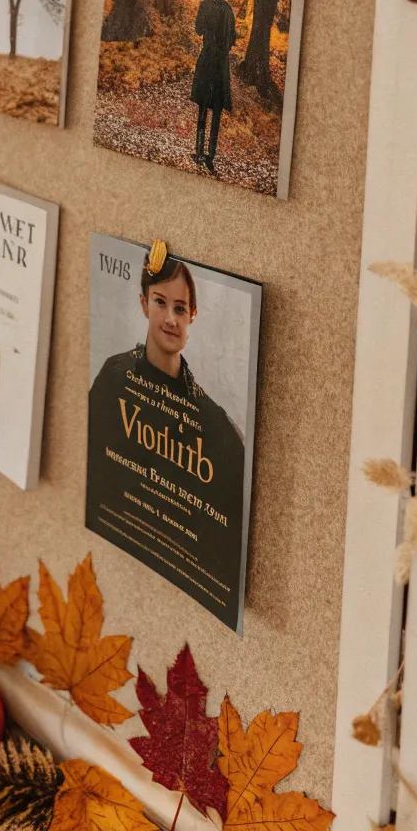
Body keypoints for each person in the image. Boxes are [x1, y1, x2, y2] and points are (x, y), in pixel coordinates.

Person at [87, 247, 245, 623]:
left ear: (193, 316)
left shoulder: (213, 421)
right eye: (161, 303)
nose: (171, 319)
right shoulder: (115, 375)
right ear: (144, 304)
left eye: (180, 308)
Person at [190, 0, 236, 176]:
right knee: (204, 107)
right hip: (212, 61)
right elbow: (199, 29)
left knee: (214, 109)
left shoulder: (223, 9)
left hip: (215, 62)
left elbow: (231, 38)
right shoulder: (215, 7)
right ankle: (201, 152)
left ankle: (208, 155)